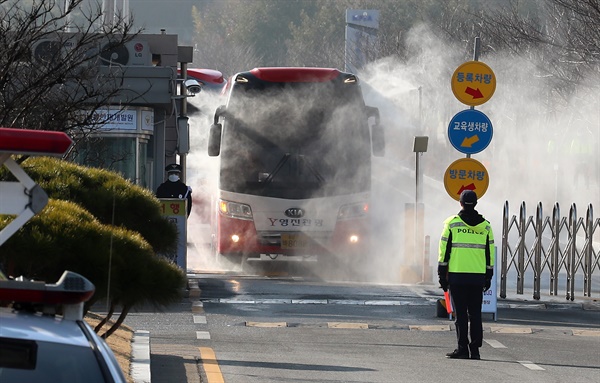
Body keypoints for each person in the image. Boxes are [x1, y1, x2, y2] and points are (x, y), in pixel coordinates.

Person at [438, 190, 494, 360]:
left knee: (461, 315)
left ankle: (462, 348)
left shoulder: (452, 224)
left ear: (460, 203)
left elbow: (443, 252)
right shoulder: (486, 226)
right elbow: (489, 254)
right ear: (476, 203)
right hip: (477, 277)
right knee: (475, 315)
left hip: (457, 276)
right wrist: (488, 276)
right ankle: (475, 350)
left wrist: (442, 276)